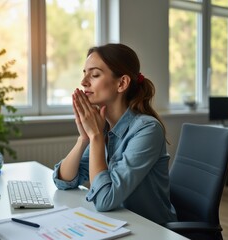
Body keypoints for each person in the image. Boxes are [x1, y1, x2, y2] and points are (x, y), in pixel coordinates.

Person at [52, 43, 177, 225]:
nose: (84, 82)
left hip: (150, 230)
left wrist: (95, 138)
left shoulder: (147, 130)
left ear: (122, 83)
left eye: (94, 75)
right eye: (84, 73)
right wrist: (84, 139)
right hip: (117, 223)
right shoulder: (104, 127)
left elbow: (104, 200)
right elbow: (64, 181)